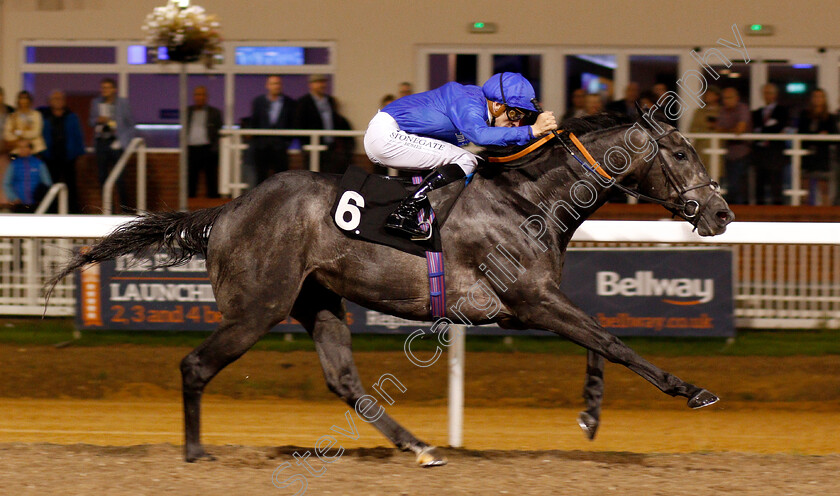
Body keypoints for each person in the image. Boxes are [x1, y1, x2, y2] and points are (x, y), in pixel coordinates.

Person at [364, 72, 558, 238]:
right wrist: (531, 131)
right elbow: (481, 136)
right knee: (466, 160)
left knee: (475, 162)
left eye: (521, 118)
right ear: (497, 106)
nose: (516, 123)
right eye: (515, 115)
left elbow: (502, 139)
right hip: (386, 136)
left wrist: (539, 138)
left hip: (395, 136)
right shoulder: (468, 101)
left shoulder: (482, 106)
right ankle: (404, 214)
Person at [89, 78, 136, 205]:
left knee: (120, 178)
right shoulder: (96, 102)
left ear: (114, 89)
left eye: (108, 87)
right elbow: (91, 121)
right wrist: (98, 120)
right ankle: (108, 208)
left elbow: (130, 124)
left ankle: (124, 208)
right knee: (102, 176)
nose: (105, 90)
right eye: (103, 88)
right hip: (102, 141)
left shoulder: (122, 103)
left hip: (117, 142)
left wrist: (124, 142)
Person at [295, 74, 352, 174]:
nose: (321, 85)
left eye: (323, 82)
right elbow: (299, 124)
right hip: (312, 147)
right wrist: (305, 144)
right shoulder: (303, 102)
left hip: (330, 147)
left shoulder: (330, 101)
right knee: (313, 175)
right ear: (311, 85)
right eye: (318, 82)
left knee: (329, 174)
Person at [39, 90, 85, 213]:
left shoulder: (71, 116)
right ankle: (51, 211)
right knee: (50, 184)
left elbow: (78, 136)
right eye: (55, 98)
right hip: (50, 156)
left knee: (71, 185)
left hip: (68, 156)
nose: (58, 101)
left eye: (60, 98)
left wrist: (79, 153)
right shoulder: (45, 117)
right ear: (50, 101)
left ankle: (73, 211)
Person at [250, 75, 296, 184]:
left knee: (281, 179)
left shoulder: (289, 103)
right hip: (261, 147)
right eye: (273, 83)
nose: (276, 86)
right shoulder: (258, 102)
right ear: (267, 86)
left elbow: (292, 123)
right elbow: (254, 122)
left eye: (278, 83)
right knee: (260, 178)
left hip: (280, 147)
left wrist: (286, 142)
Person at [797, 88, 837, 205]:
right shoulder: (805, 115)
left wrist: (822, 136)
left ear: (824, 99)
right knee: (804, 187)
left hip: (822, 156)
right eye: (815, 96)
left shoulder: (830, 117)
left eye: (820, 96)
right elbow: (801, 133)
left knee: (824, 187)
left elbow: (833, 136)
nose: (817, 99)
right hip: (807, 155)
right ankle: (803, 214)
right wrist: (817, 135)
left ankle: (826, 215)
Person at [752, 84, 789, 205]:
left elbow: (779, 127)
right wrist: (769, 128)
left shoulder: (782, 111)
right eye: (765, 93)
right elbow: (754, 129)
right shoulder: (757, 113)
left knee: (776, 184)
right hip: (760, 153)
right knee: (759, 184)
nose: (767, 95)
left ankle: (778, 211)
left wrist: (763, 130)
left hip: (775, 153)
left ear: (775, 95)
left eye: (770, 92)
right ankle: (758, 211)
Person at [716, 87, 752, 204]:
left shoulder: (743, 109)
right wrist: (731, 129)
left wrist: (726, 130)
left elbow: (740, 129)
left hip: (743, 151)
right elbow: (717, 129)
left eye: (729, 98)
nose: (726, 100)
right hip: (728, 151)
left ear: (737, 98)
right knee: (729, 183)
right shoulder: (723, 111)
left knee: (739, 185)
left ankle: (742, 210)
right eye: (725, 98)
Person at [186, 86, 223, 198]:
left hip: (208, 149)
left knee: (211, 179)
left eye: (202, 95)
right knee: (191, 180)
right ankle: (189, 207)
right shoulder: (187, 111)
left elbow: (218, 131)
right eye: (197, 94)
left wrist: (215, 148)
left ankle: (213, 210)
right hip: (191, 149)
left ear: (206, 97)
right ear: (193, 97)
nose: (199, 97)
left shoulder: (214, 112)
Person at [2, 139, 52, 212]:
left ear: (30, 149)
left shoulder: (39, 164)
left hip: (36, 203)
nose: (22, 150)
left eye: (24, 147)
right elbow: (6, 183)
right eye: (20, 147)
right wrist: (13, 198)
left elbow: (47, 183)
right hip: (19, 203)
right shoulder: (14, 165)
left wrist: (42, 197)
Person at [4, 91, 46, 156]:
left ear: (30, 100)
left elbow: (36, 133)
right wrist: (18, 141)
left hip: (35, 150)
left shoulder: (36, 115)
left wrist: (19, 132)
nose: (23, 101)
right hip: (17, 150)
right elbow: (7, 134)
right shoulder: (12, 116)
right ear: (18, 101)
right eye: (21, 98)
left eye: (25, 98)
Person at [688, 86, 722, 167]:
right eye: (706, 94)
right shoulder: (699, 112)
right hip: (701, 147)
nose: (707, 96)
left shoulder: (722, 111)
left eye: (710, 94)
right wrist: (705, 127)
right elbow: (692, 128)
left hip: (718, 146)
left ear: (717, 96)